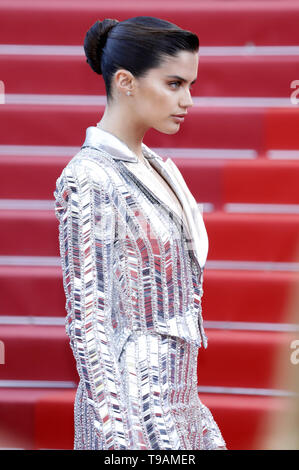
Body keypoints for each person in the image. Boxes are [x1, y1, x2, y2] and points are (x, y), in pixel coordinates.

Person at [54, 16, 227, 450]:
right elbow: (89, 323)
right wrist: (116, 436)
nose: (187, 100)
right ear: (126, 82)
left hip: (180, 399)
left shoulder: (151, 165)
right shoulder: (89, 176)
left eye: (190, 85)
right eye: (173, 84)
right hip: (132, 412)